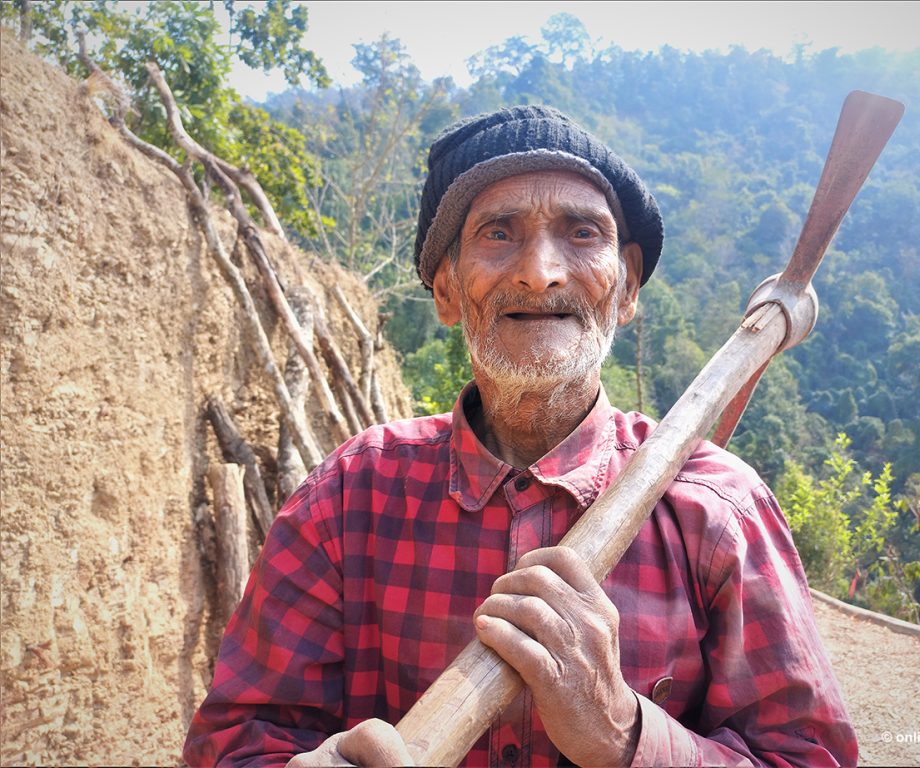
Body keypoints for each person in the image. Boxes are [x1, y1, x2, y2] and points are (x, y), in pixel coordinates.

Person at [183, 105, 857, 767]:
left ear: (625, 290)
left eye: (582, 234)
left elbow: (808, 757)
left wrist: (623, 735)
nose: (540, 271)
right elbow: (234, 743)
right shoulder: (347, 498)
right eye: (499, 233)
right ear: (446, 291)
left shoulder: (719, 514)